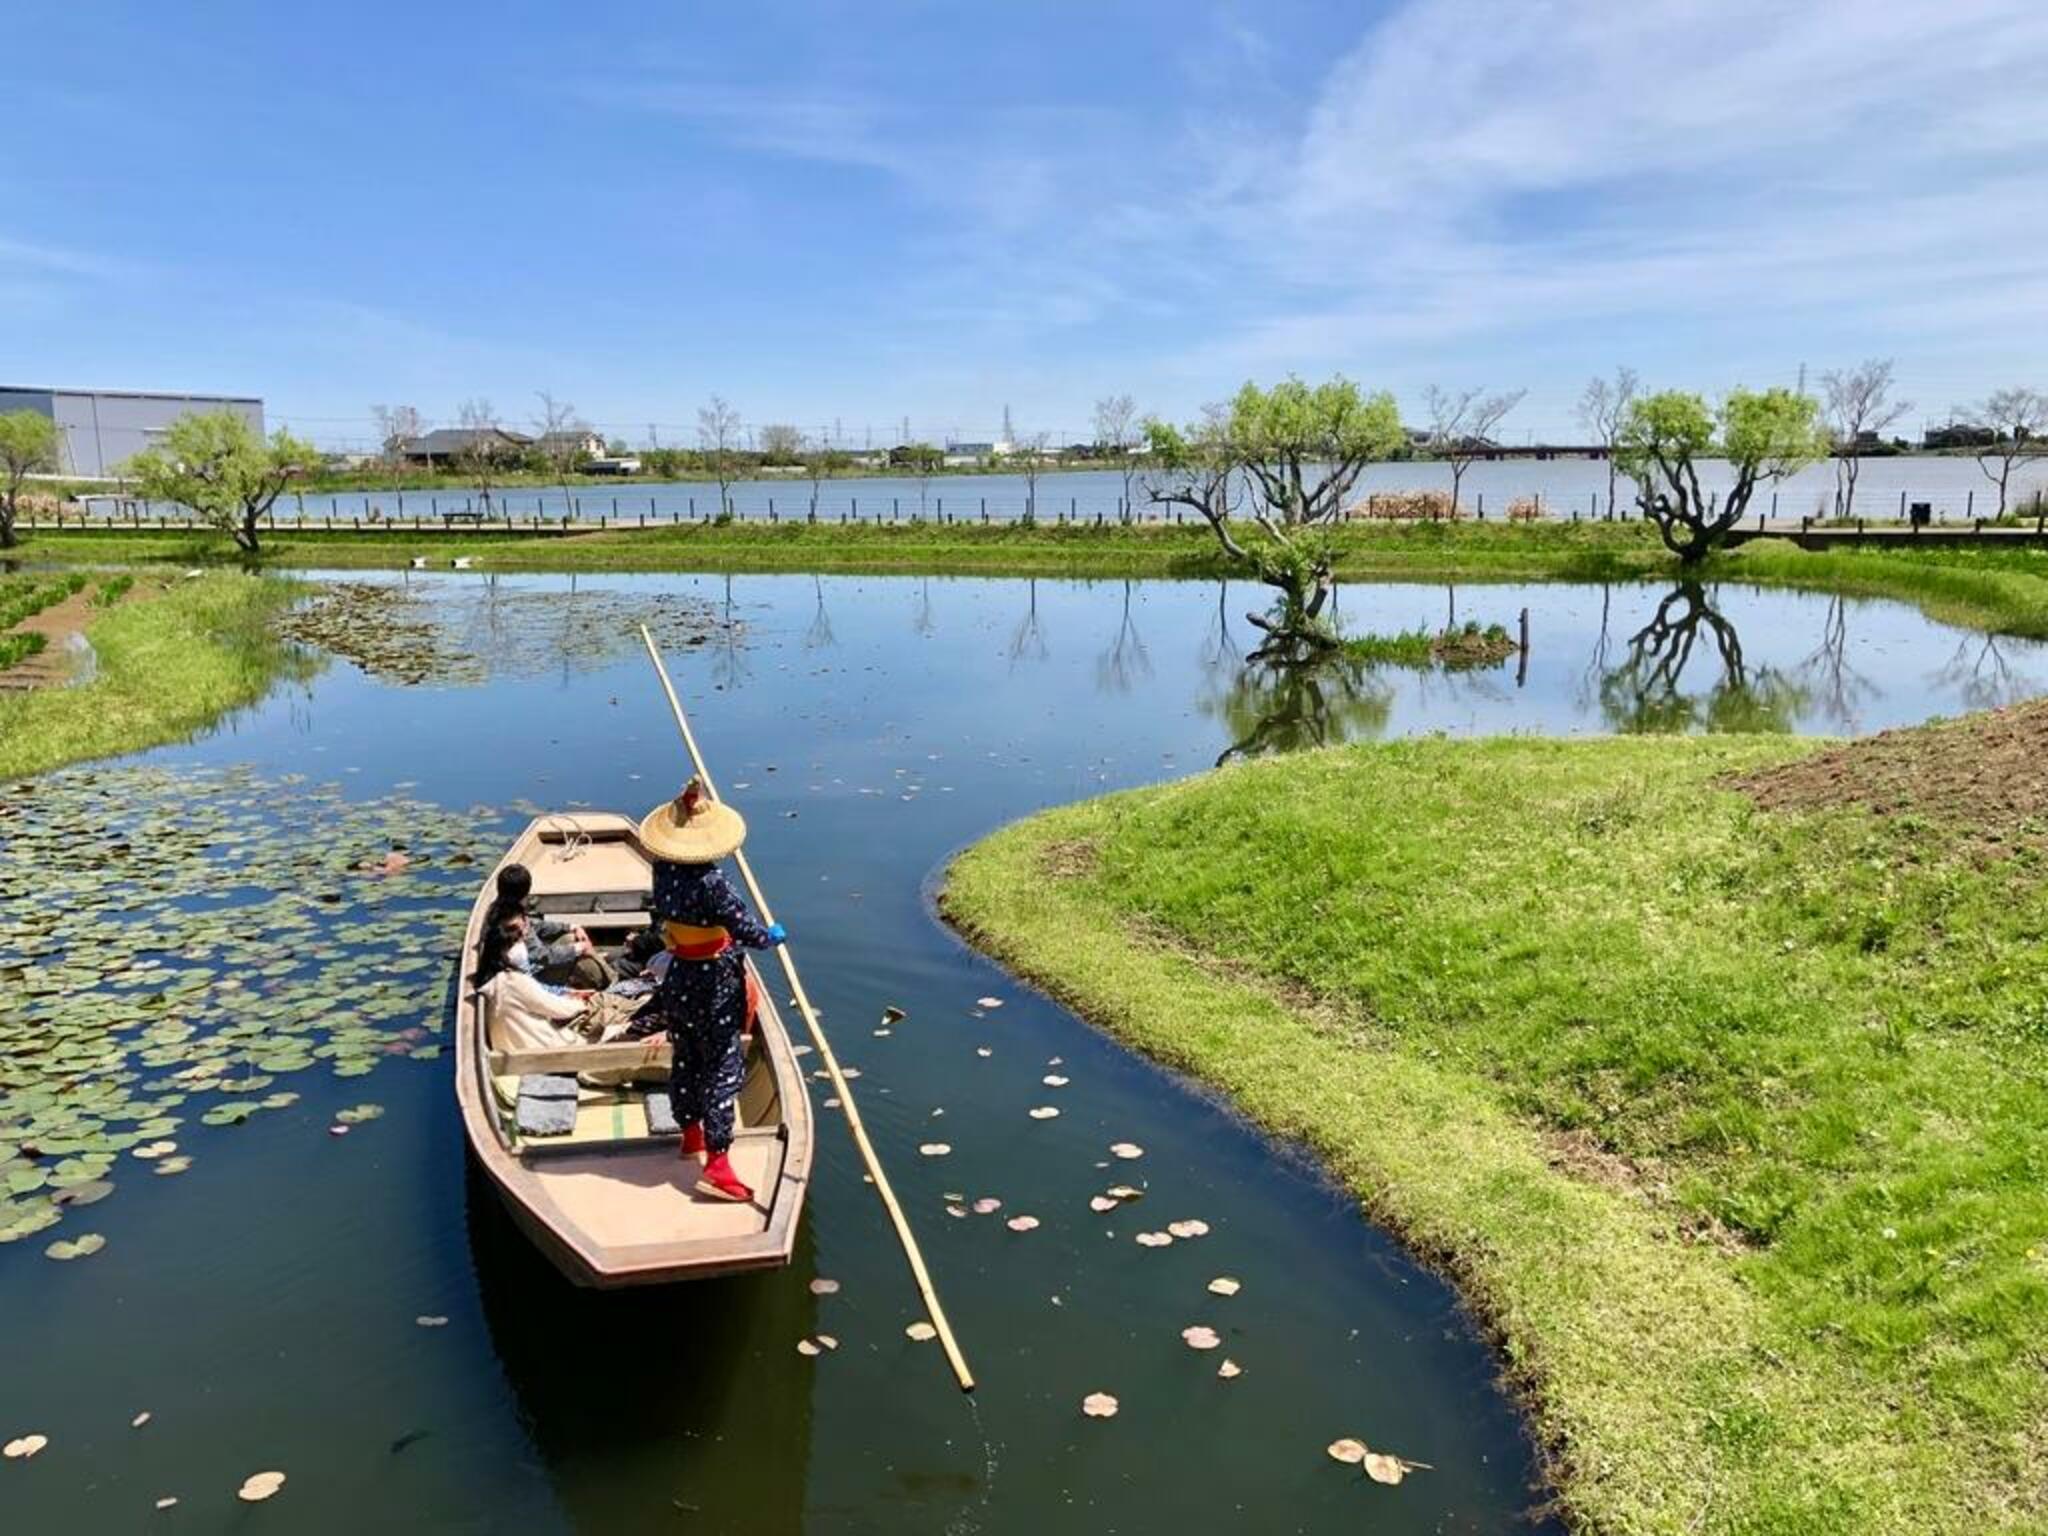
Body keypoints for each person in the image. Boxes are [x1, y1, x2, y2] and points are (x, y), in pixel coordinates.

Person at [635, 777, 785, 1203]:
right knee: (722, 1064)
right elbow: (746, 932)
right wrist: (771, 937)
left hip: (680, 975)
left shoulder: (661, 872)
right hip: (713, 980)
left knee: (686, 1054)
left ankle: (691, 1134)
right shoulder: (712, 884)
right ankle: (718, 1161)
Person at [488, 863, 612, 989]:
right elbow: (539, 955)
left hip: (532, 967)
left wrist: (571, 926)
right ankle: (606, 983)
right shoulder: (508, 921)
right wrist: (577, 949)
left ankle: (605, 974)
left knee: (572, 938)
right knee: (577, 949)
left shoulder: (506, 909)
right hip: (530, 978)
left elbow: (536, 925)